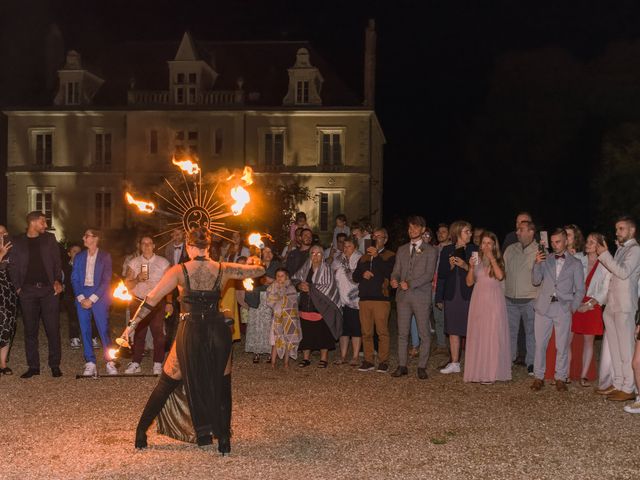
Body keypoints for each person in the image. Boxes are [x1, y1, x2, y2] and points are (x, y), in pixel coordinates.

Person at [126, 227, 264, 454]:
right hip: (218, 331)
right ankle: (224, 440)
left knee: (167, 381)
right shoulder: (224, 268)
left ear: (190, 246)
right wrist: (257, 254)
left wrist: (130, 327)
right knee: (222, 383)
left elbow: (151, 299)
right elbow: (258, 272)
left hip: (191, 331)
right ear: (208, 247)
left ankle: (141, 431)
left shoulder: (179, 271)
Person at [8, 211, 63, 378]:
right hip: (27, 292)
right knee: (30, 330)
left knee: (53, 329)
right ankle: (33, 367)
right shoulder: (17, 241)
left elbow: (57, 262)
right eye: (43, 222)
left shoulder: (49, 239)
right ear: (33, 222)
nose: (45, 226)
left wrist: (57, 280)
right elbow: (13, 267)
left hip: (49, 291)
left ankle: (55, 365)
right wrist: (18, 288)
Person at [530, 228, 584, 392]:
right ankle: (538, 377)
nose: (555, 245)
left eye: (558, 241)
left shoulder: (575, 263)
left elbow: (580, 290)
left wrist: (571, 308)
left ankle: (560, 377)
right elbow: (535, 280)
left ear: (566, 241)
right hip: (544, 307)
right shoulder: (546, 258)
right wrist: (537, 263)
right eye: (552, 242)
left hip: (563, 307)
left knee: (562, 345)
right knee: (540, 344)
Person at [595, 216, 640, 402]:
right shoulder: (621, 249)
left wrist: (605, 255)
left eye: (621, 229)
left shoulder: (636, 250)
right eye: (616, 229)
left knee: (626, 348)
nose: (617, 232)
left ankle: (629, 387)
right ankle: (619, 382)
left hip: (625, 306)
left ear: (631, 231)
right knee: (614, 348)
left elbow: (622, 272)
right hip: (612, 305)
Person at [390, 216, 438, 379]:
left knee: (424, 333)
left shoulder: (430, 250)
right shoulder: (402, 249)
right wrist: (394, 279)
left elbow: (429, 275)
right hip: (402, 297)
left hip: (421, 297)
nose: (412, 230)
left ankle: (422, 366)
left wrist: (410, 283)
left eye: (416, 228)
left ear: (423, 230)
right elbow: (396, 270)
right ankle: (402, 365)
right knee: (402, 333)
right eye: (410, 227)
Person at [464, 232, 511, 384]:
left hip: (494, 300)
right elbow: (469, 283)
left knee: (492, 335)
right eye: (483, 243)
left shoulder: (498, 259)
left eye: (489, 243)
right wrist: (471, 267)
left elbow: (500, 276)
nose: (486, 246)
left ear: (494, 245)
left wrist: (491, 259)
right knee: (479, 334)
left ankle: (491, 372)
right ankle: (478, 371)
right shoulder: (476, 259)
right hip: (478, 300)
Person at [71, 228, 117, 376]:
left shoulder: (105, 256)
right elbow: (74, 278)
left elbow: (106, 280)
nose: (83, 238)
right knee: (84, 330)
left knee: (103, 329)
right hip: (82, 295)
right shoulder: (79, 257)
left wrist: (92, 298)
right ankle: (90, 362)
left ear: (95, 238)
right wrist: (81, 297)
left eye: (87, 236)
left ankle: (110, 361)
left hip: (99, 296)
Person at [124, 235, 172, 375]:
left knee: (158, 333)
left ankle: (157, 363)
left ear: (154, 245)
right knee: (139, 333)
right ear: (140, 246)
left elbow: (170, 284)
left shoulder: (163, 262)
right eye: (143, 243)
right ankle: (136, 362)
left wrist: (169, 302)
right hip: (138, 301)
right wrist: (137, 279)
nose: (146, 246)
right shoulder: (134, 262)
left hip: (157, 301)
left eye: (149, 243)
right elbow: (127, 284)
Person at [435, 221, 477, 374]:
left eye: (470, 231)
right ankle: (454, 363)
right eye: (467, 231)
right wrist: (438, 298)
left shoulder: (474, 250)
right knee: (453, 329)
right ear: (458, 233)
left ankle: (474, 363)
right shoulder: (447, 250)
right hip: (452, 295)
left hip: (469, 295)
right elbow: (441, 276)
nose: (470, 234)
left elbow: (479, 273)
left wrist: (466, 266)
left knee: (471, 329)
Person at [568, 233, 610, 386]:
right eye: (588, 241)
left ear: (600, 245)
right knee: (567, 339)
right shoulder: (578, 258)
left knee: (588, 342)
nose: (588, 244)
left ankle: (584, 375)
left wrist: (589, 305)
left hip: (593, 306)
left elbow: (606, 289)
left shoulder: (606, 262)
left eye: (592, 242)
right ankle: (565, 374)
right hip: (575, 301)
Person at [292, 245, 342, 368]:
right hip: (306, 304)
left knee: (322, 331)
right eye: (313, 253)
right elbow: (294, 279)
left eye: (318, 253)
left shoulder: (327, 269)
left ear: (322, 255)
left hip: (321, 306)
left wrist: (310, 287)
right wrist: (299, 285)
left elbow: (328, 287)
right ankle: (306, 358)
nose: (315, 256)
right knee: (306, 330)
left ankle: (324, 358)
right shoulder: (305, 267)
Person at [353, 228, 396, 372]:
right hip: (364, 298)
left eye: (379, 236)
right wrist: (362, 274)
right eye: (374, 236)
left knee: (382, 332)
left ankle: (383, 361)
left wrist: (377, 256)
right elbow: (355, 276)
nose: (376, 238)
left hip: (380, 299)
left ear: (386, 239)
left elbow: (389, 273)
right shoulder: (364, 256)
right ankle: (368, 360)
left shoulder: (390, 255)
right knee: (366, 332)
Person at [503, 220, 539, 375]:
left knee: (532, 333)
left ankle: (531, 363)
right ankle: (508, 361)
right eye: (517, 229)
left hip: (530, 299)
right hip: (510, 299)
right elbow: (503, 273)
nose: (517, 232)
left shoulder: (539, 251)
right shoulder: (510, 249)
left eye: (521, 229)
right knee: (510, 332)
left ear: (531, 232)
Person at [245, 245, 280, 363]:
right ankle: (256, 351)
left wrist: (272, 281)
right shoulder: (255, 263)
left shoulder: (277, 266)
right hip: (257, 297)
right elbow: (248, 278)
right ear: (261, 253)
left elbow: (283, 280)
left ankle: (270, 351)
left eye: (270, 252)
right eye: (265, 252)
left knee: (269, 324)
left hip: (271, 297)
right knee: (256, 324)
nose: (268, 254)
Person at [332, 238, 363, 365]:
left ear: (355, 247)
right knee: (343, 330)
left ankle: (355, 356)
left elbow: (356, 278)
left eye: (349, 246)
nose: (346, 249)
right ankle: (343, 355)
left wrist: (347, 268)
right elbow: (333, 272)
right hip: (340, 299)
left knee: (355, 329)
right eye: (344, 246)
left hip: (354, 299)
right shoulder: (339, 259)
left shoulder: (360, 259)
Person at [266, 268, 301, 369]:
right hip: (277, 318)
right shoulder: (272, 287)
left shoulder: (291, 288)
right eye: (277, 276)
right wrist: (278, 295)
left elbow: (293, 301)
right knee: (275, 341)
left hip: (289, 318)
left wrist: (283, 297)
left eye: (282, 276)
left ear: (286, 277)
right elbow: (269, 300)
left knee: (287, 340)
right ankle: (273, 362)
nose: (279, 278)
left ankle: (286, 363)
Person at [432, 223, 451, 354]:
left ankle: (452, 346)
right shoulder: (433, 249)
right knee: (438, 317)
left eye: (444, 232)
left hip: (448, 288)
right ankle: (441, 344)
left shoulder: (453, 249)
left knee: (449, 318)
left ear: (450, 234)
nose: (440, 234)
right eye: (439, 232)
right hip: (433, 287)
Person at [0, 226, 17, 375]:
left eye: (5, 232)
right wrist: (1, 255)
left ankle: (3, 364)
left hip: (9, 294)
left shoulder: (12, 251)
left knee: (7, 325)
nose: (3, 235)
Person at [62, 243, 84, 349]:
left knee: (89, 317)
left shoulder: (85, 267)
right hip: (70, 295)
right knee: (73, 317)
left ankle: (92, 337)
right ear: (69, 253)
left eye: (79, 251)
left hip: (84, 296)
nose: (77, 253)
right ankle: (74, 337)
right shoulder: (65, 267)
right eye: (74, 251)